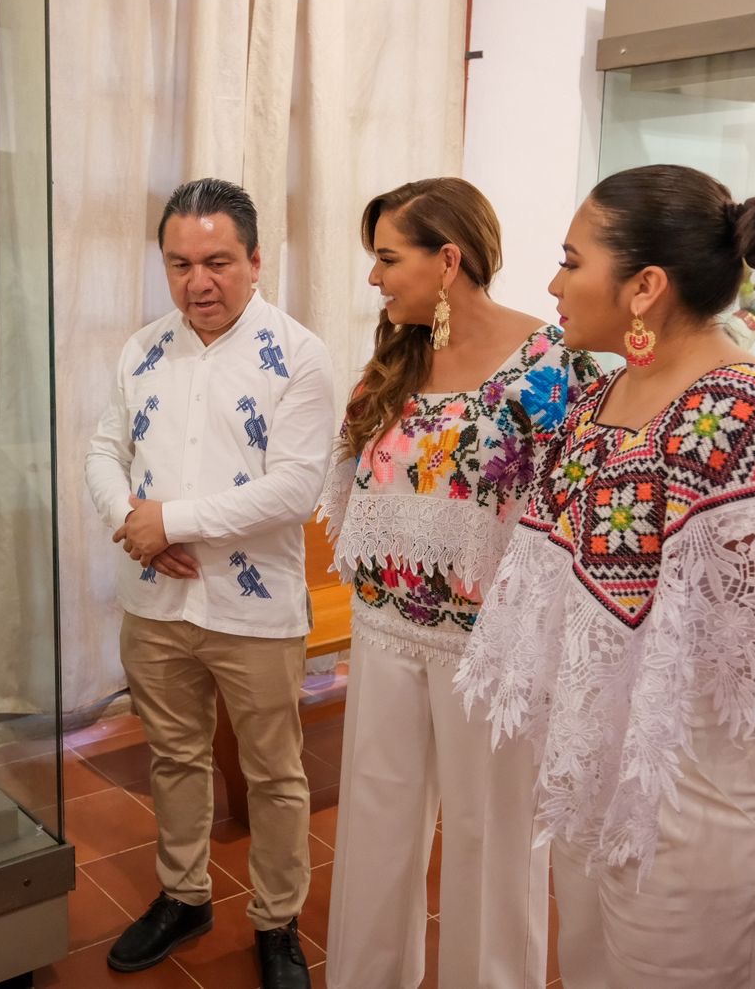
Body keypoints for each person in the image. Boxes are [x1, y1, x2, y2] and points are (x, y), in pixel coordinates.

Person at [456, 164, 755, 988]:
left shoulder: (746, 413)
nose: (554, 284)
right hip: (602, 783)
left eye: (572, 261)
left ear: (645, 286)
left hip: (708, 805)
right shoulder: (603, 398)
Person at [320, 177, 598, 989]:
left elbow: (576, 512)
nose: (375, 277)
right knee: (375, 818)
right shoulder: (392, 363)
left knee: (492, 837)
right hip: (384, 627)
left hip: (494, 647)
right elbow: (353, 487)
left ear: (448, 260)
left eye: (387, 259)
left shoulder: (553, 365)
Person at [86, 177, 336, 989]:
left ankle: (277, 922)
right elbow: (104, 450)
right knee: (173, 756)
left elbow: (294, 489)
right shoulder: (143, 349)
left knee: (274, 774)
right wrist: (134, 523)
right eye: (180, 264)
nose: (199, 282)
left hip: (254, 608)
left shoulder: (298, 355)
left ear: (256, 260)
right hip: (155, 600)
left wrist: (172, 522)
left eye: (218, 262)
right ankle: (183, 895)